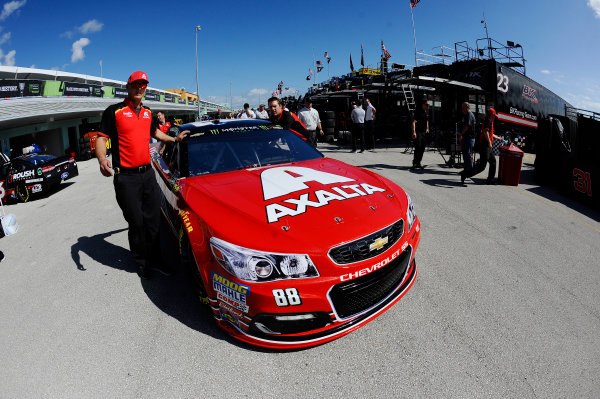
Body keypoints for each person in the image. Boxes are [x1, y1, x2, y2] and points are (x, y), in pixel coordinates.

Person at [95, 71, 188, 279]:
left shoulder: (147, 112)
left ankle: (156, 260)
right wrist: (102, 159)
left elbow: (155, 133)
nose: (140, 88)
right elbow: (101, 138)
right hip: (126, 178)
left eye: (143, 85)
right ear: (128, 87)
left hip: (147, 175)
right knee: (137, 223)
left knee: (154, 220)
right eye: (136, 84)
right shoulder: (114, 111)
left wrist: (174, 140)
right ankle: (142, 263)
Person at [461, 108, 503, 184]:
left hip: (487, 146)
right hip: (485, 146)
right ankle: (465, 174)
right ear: (492, 114)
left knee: (493, 161)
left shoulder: (490, 120)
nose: (495, 117)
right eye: (494, 115)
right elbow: (485, 132)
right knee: (482, 167)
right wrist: (490, 143)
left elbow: (490, 133)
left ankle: (490, 179)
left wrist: (498, 138)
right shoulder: (488, 120)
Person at [411, 98, 430, 169]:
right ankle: (415, 162)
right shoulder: (418, 112)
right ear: (423, 105)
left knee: (422, 147)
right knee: (418, 146)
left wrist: (427, 128)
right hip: (418, 131)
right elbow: (413, 122)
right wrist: (414, 132)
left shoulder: (426, 112)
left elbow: (427, 121)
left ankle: (419, 162)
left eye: (428, 105)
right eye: (427, 105)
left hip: (424, 132)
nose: (428, 106)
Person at [459, 102, 476, 172]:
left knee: (468, 153)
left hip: (469, 138)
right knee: (466, 153)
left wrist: (461, 133)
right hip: (467, 137)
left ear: (467, 107)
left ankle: (470, 169)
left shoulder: (469, 114)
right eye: (462, 107)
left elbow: (467, 126)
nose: (462, 109)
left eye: (463, 107)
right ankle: (466, 169)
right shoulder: (465, 115)